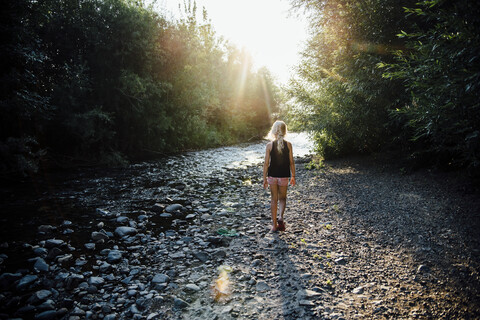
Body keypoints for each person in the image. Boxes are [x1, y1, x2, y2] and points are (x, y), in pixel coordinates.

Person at [263, 120, 296, 232]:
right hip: (284, 176)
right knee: (282, 198)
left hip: (272, 176)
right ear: (284, 131)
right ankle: (281, 217)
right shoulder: (289, 145)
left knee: (273, 199)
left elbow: (266, 164)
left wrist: (264, 179)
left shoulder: (269, 145)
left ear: (274, 131)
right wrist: (293, 176)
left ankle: (274, 225)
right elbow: (292, 162)